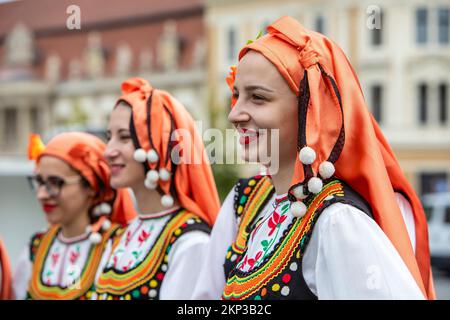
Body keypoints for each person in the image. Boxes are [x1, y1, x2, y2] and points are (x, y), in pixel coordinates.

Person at [193, 16, 434, 300]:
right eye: (237, 96)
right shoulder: (247, 202)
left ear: (311, 110)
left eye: (257, 98)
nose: (235, 114)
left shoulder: (337, 221)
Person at [91, 77, 220, 300]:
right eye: (109, 137)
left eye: (124, 137)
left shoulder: (190, 243)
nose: (108, 151)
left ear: (160, 146)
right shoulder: (119, 236)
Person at [13, 132, 136, 300]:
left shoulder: (118, 247)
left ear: (91, 185)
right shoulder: (36, 246)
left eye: (55, 183)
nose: (42, 194)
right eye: (40, 182)